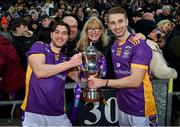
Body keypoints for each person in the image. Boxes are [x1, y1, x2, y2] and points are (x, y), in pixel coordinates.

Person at [88, 6, 157, 126]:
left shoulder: (139, 45)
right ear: (108, 26)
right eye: (112, 23)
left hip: (141, 108)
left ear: (126, 21)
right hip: (123, 107)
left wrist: (103, 83)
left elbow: (135, 81)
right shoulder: (114, 46)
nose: (117, 26)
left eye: (120, 21)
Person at [21, 21, 82, 126]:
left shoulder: (66, 59)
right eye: (57, 32)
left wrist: (92, 66)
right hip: (33, 114)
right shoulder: (39, 46)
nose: (60, 36)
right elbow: (39, 71)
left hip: (58, 115)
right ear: (51, 34)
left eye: (64, 33)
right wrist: (70, 63)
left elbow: (81, 79)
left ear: (68, 37)